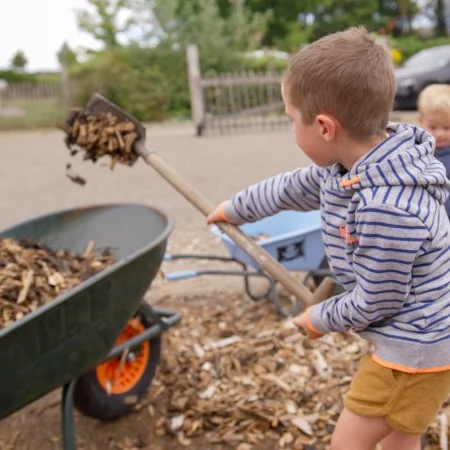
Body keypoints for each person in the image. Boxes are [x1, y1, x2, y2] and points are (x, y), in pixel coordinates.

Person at [206, 26, 450, 450]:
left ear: (323, 126)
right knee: (400, 434)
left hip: (416, 350)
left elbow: (378, 300)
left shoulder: (388, 208)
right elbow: (291, 188)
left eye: (289, 118)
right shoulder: (354, 164)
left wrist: (318, 319)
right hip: (417, 339)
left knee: (348, 443)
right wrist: (236, 208)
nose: (289, 127)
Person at [418, 83, 450, 217]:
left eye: (447, 128)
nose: (440, 134)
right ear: (420, 122)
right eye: (433, 127)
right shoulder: (416, 150)